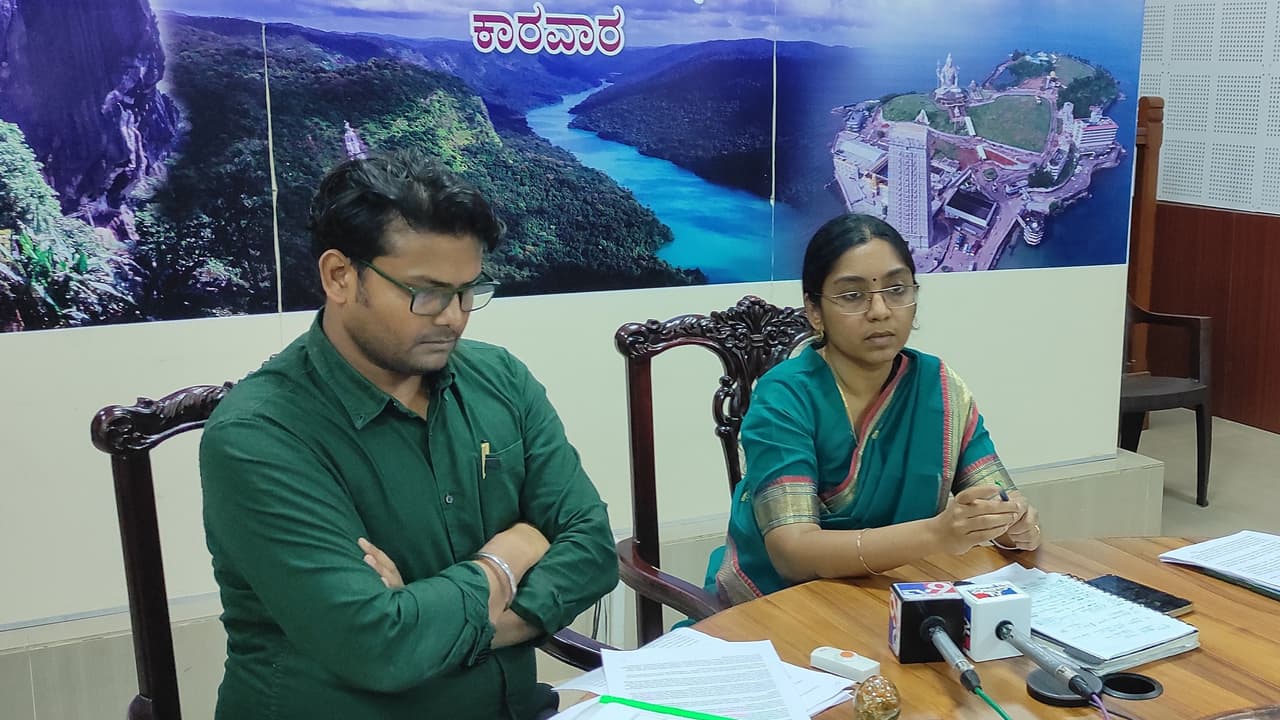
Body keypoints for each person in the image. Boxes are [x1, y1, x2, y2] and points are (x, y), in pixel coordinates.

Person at [199, 150, 617, 720]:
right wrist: (510, 554)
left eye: (468, 291)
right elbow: (379, 645)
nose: (452, 317)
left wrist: (435, 621)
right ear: (340, 276)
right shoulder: (259, 434)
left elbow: (592, 549)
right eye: (426, 292)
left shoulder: (499, 378)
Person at [709, 213, 1040, 606]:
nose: (880, 310)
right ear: (814, 310)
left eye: (897, 290)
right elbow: (792, 553)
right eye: (853, 296)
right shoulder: (785, 397)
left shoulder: (938, 387)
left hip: (901, 596)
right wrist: (936, 534)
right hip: (782, 606)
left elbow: (999, 497)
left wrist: (1010, 523)